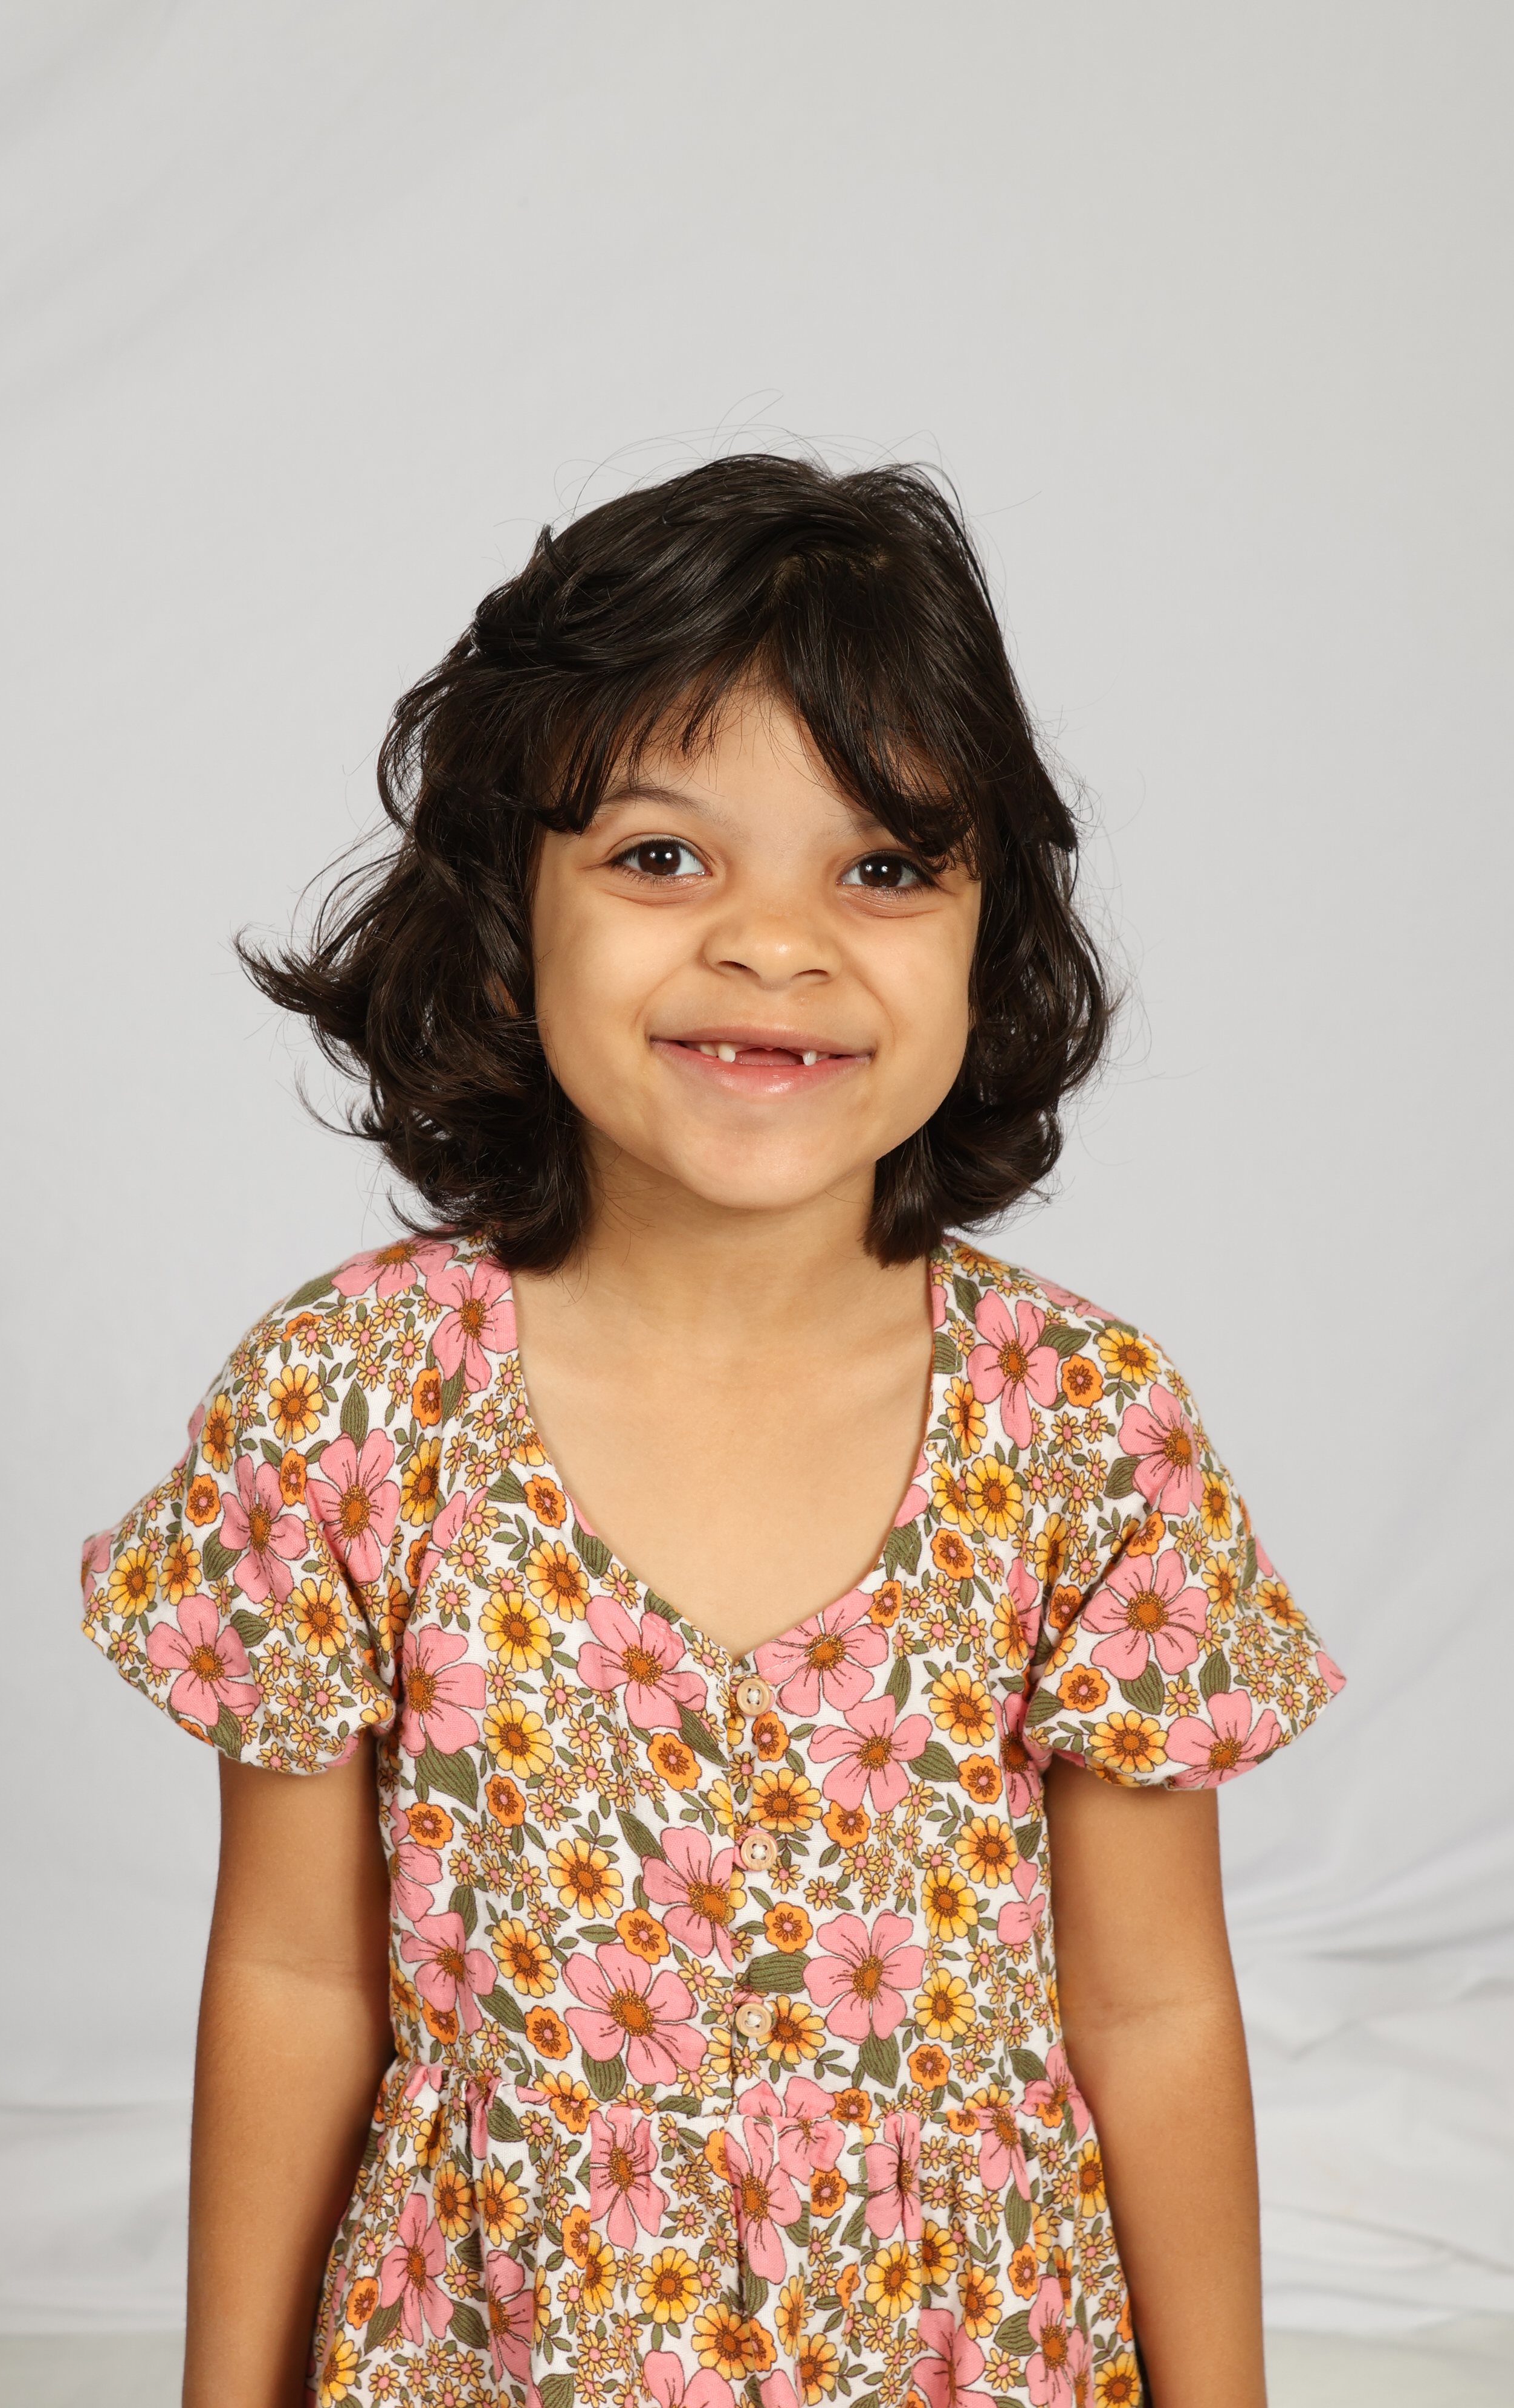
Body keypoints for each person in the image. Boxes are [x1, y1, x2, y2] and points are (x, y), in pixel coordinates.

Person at [80, 455, 1343, 2408]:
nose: (776, 943)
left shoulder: (1088, 1429)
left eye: (883, 867)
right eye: (665, 858)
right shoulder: (348, 1406)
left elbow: (1153, 2002)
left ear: (994, 927)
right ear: (507, 903)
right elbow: (297, 1978)